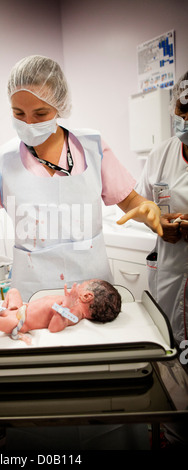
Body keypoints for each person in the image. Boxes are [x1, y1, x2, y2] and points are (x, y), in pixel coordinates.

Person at [0, 55, 163, 301]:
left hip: (93, 289)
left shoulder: (92, 148)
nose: (28, 123)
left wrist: (145, 206)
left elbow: (130, 201)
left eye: (40, 113)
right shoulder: (2, 160)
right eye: (18, 113)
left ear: (59, 106)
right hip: (33, 292)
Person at [135, 72, 188, 346]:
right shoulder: (160, 153)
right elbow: (141, 204)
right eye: (183, 108)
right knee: (169, 346)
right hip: (168, 269)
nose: (187, 119)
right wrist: (157, 223)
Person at [0, 279, 121, 348]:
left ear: (87, 296)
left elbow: (55, 328)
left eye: (85, 283)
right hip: (19, 310)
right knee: (13, 291)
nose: (81, 283)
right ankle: (4, 312)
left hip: (21, 322)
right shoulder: (72, 306)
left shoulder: (75, 313)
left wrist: (65, 305)